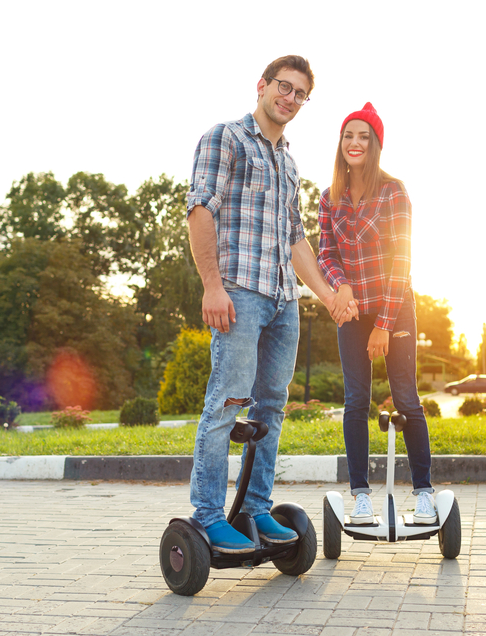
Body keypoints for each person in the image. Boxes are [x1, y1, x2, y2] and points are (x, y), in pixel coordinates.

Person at [186, 55, 355, 553]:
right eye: (284, 86)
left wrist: (324, 295)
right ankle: (209, 515)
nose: (291, 98)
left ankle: (256, 509)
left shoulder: (288, 160)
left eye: (301, 93)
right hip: (238, 293)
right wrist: (211, 286)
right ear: (262, 85)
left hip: (284, 302)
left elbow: (296, 238)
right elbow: (200, 209)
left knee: (272, 409)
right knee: (227, 404)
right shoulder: (226, 138)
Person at [316, 102, 437, 525]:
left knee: (406, 398)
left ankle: (423, 492)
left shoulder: (394, 191)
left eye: (363, 136)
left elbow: (401, 261)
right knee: (355, 402)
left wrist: (384, 323)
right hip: (351, 312)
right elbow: (325, 253)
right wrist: (340, 284)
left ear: (376, 145)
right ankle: (361, 496)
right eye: (349, 135)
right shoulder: (329, 197)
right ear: (341, 143)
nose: (355, 143)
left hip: (395, 308)